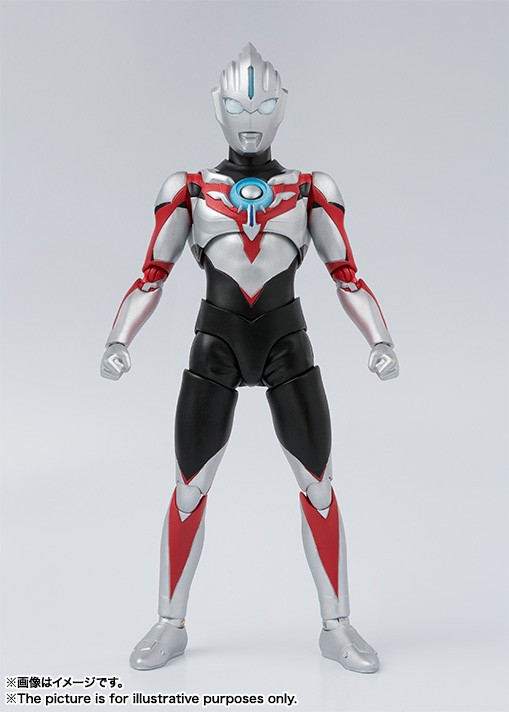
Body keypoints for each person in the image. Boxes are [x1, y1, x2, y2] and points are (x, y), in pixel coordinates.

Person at [100, 44, 399, 674]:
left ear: (282, 107)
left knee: (318, 487)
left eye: (263, 106)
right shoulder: (189, 189)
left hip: (288, 344)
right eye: (239, 105)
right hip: (217, 345)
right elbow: (152, 275)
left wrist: (379, 339)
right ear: (218, 106)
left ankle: (337, 626)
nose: (251, 119)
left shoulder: (311, 189)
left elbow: (346, 275)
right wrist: (119, 339)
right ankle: (169, 622)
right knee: (189, 489)